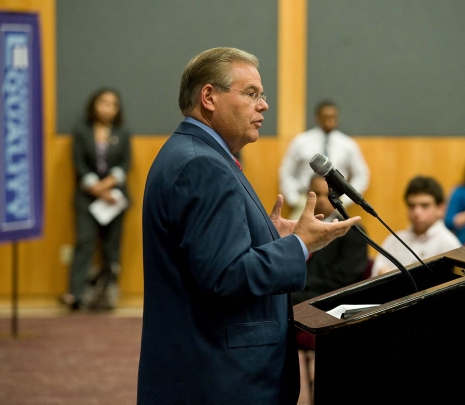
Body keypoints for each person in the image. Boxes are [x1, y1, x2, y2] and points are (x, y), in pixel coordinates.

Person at [137, 47, 361, 405]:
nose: (264, 105)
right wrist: (298, 245)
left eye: (263, 95)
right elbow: (225, 275)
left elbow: (211, 258)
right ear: (209, 97)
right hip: (220, 377)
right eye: (252, 93)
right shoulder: (203, 166)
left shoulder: (193, 153)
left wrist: (269, 238)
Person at [291, 174, 370, 405]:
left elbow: (346, 280)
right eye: (317, 194)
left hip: (332, 301)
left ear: (338, 197)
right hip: (307, 292)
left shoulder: (353, 231)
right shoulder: (308, 228)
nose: (323, 200)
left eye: (328, 194)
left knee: (280, 303)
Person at [60, 88, 132, 311]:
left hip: (115, 198)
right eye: (103, 102)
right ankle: (76, 293)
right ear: (94, 105)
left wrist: (108, 186)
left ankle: (107, 295)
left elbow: (125, 164)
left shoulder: (123, 131)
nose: (107, 108)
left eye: (113, 104)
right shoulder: (82, 131)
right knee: (85, 242)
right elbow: (79, 163)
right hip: (87, 197)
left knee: (112, 248)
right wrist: (97, 189)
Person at [279, 100, 370, 219]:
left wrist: (346, 200)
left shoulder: (348, 145)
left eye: (333, 117)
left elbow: (362, 175)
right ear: (317, 118)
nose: (329, 120)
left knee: (342, 234)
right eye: (325, 117)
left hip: (337, 201)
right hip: (306, 200)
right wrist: (294, 199)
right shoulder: (301, 142)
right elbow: (286, 171)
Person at [371, 175, 461, 278]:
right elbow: (376, 275)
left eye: (425, 205)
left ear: (440, 209)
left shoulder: (450, 245)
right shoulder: (394, 240)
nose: (417, 212)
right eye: (411, 206)